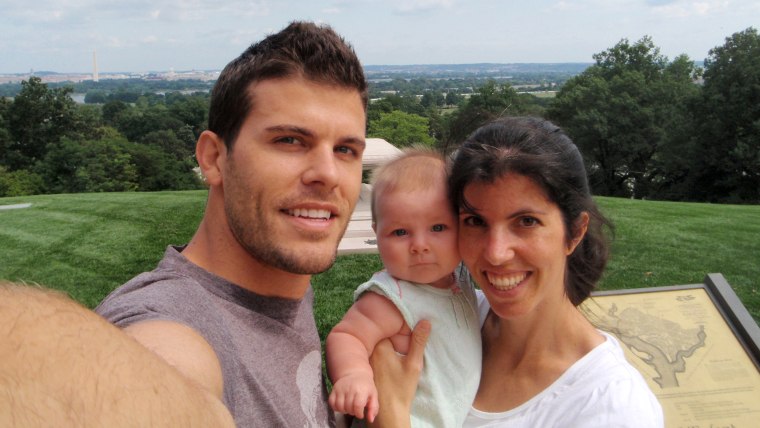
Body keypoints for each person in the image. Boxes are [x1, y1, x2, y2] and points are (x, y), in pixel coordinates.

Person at [0, 21, 431, 427]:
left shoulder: (277, 284)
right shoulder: (173, 324)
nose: (327, 173)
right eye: (289, 141)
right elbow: (148, 383)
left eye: (345, 150)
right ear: (213, 158)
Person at [370, 116, 664, 427]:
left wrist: (389, 412)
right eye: (475, 221)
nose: (496, 253)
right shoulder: (443, 316)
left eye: (526, 222)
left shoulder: (612, 408)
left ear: (575, 232)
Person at [326, 147, 481, 427]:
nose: (419, 245)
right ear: (377, 233)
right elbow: (346, 336)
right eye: (400, 232)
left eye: (437, 228)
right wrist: (354, 376)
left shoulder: (459, 277)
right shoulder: (391, 297)